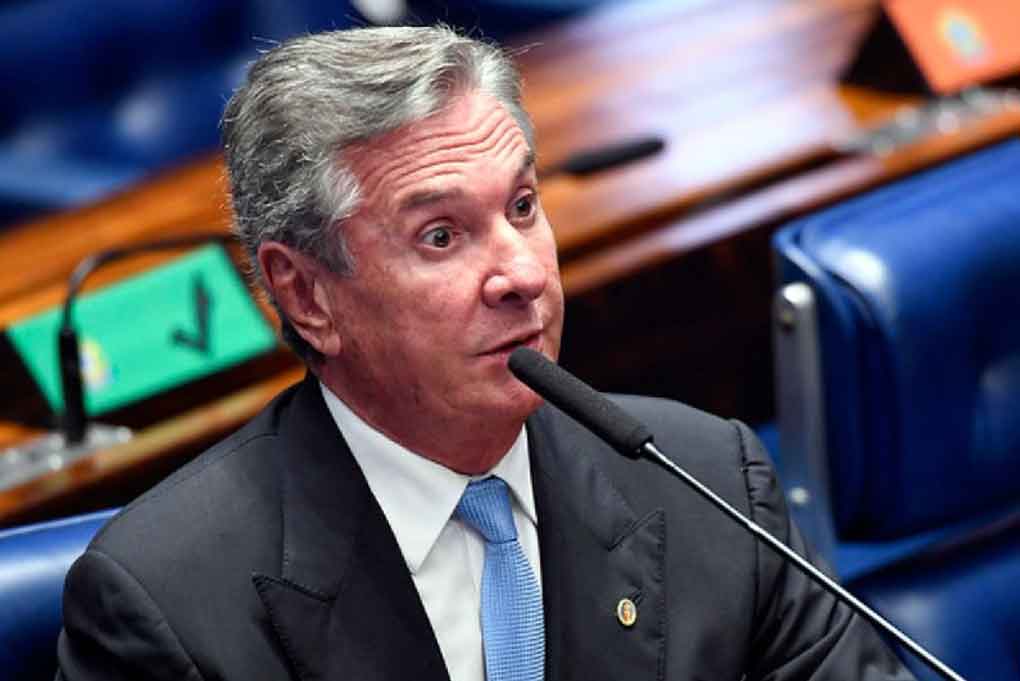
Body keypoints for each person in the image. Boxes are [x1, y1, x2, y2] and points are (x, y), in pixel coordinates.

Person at [56, 25, 913, 681]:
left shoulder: (710, 486)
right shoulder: (168, 604)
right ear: (308, 294)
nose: (522, 273)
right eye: (441, 235)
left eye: (523, 207)